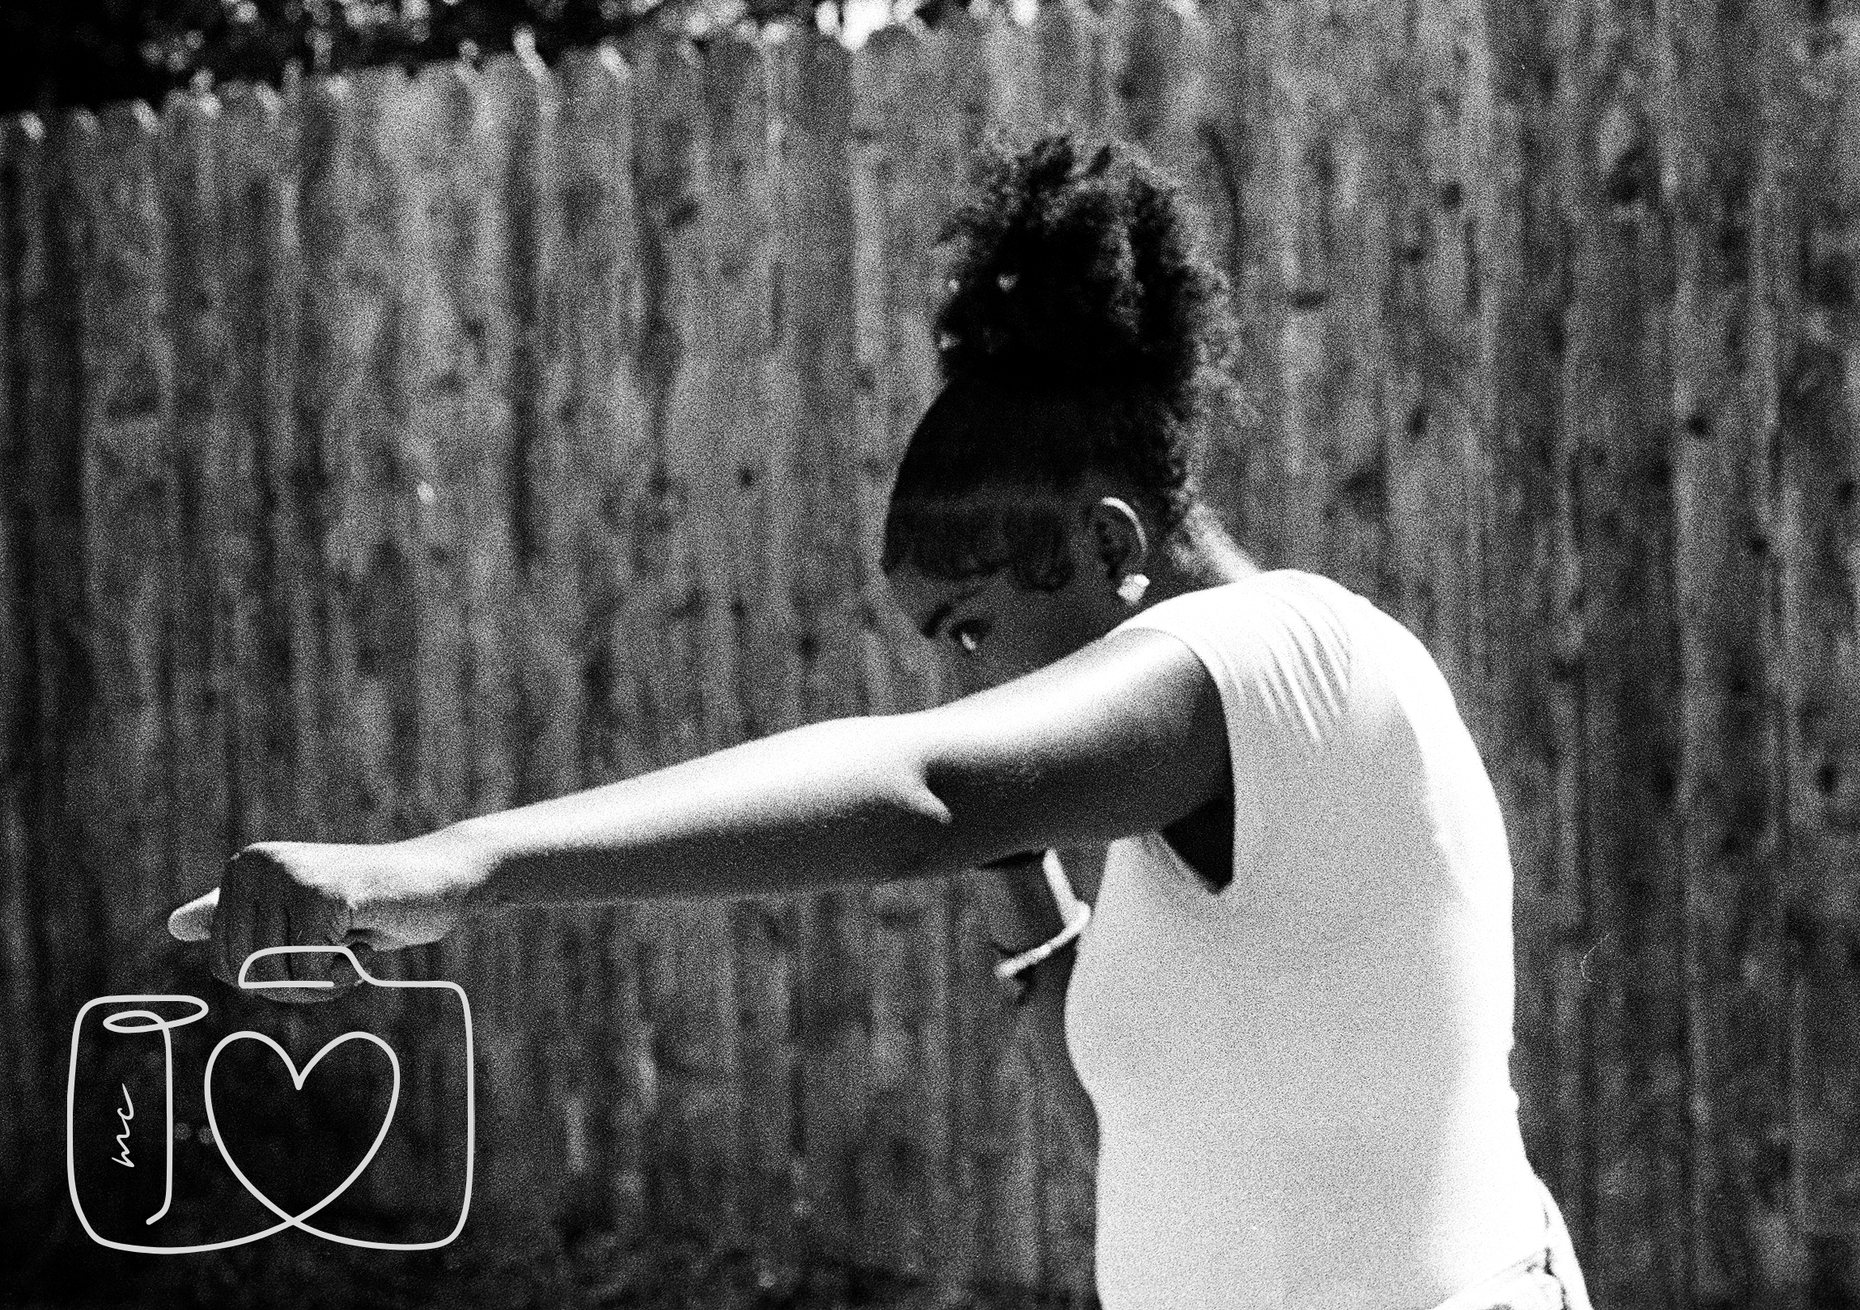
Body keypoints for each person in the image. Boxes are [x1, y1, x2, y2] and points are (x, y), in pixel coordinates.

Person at [167, 130, 1595, 1310]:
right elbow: (1151, 1140)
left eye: (970, 630)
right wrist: (1027, 909)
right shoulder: (1204, 798)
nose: (965, 686)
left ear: (1107, 544)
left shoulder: (1297, 653)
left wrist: (456, 861)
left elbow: (926, 792)